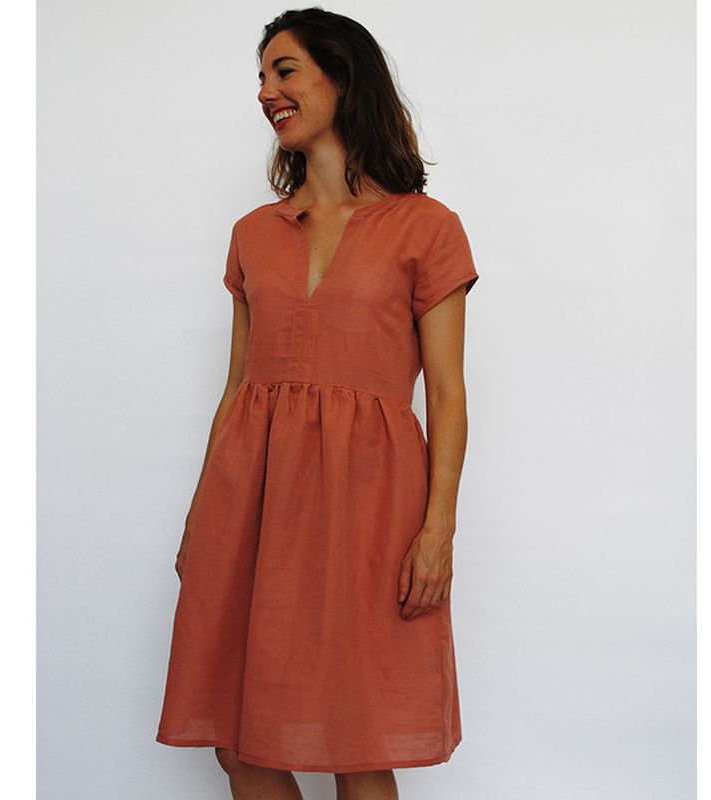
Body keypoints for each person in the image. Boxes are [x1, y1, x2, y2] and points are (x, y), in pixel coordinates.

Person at [156, 8, 479, 799]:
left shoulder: (427, 229)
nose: (266, 92)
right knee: (239, 742)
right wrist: (201, 514)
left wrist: (438, 529)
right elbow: (238, 387)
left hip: (367, 507)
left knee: (356, 741)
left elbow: (446, 393)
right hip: (251, 499)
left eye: (285, 71)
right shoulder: (253, 234)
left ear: (341, 76)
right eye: (262, 77)